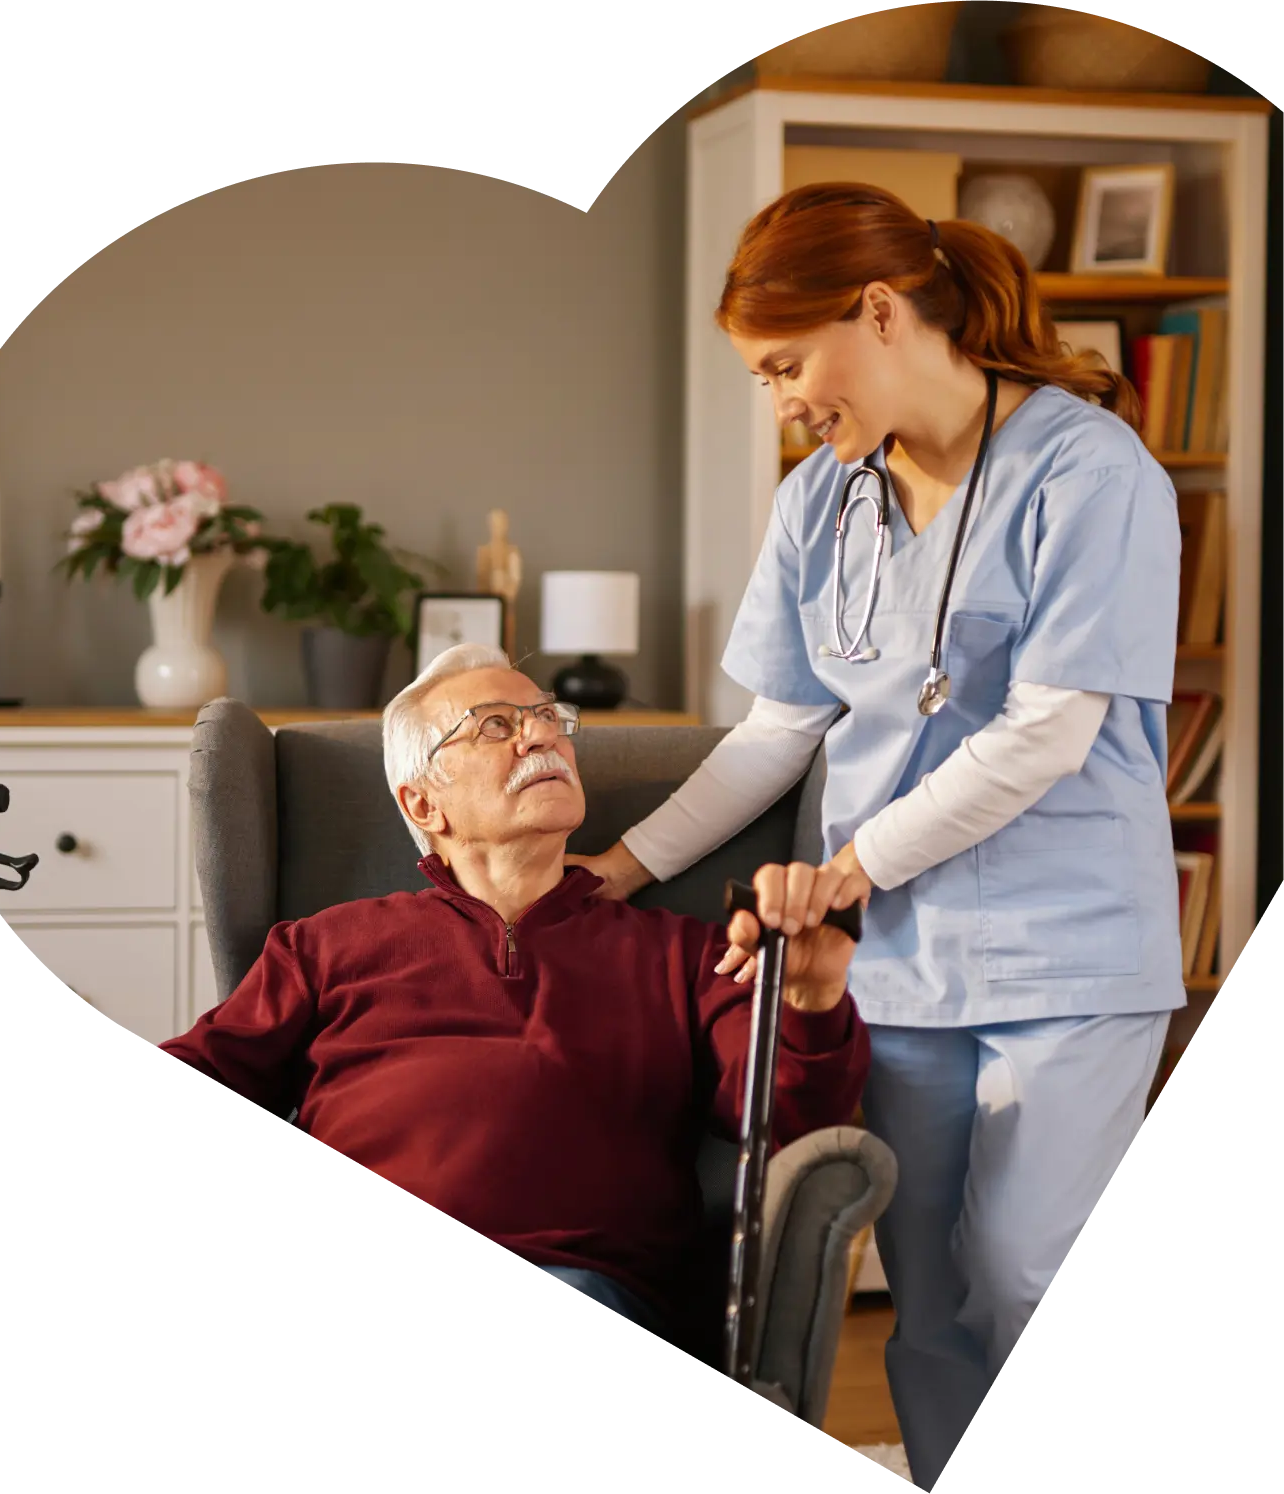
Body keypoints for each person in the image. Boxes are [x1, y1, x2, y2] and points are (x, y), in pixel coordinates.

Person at [568, 183, 1182, 1490]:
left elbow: (1045, 729)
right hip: (900, 966)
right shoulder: (821, 502)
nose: (781, 399)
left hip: (1066, 950)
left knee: (1028, 1267)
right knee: (935, 1298)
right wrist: (623, 865)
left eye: (786, 363)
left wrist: (845, 869)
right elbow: (776, 727)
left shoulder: (1086, 470)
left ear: (878, 309)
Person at [155, 642, 870, 1353]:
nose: (542, 735)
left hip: (584, 1281)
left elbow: (787, 1123)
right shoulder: (322, 947)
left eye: (548, 717)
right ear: (422, 803)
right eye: (495, 724)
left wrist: (810, 996)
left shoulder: (685, 954)